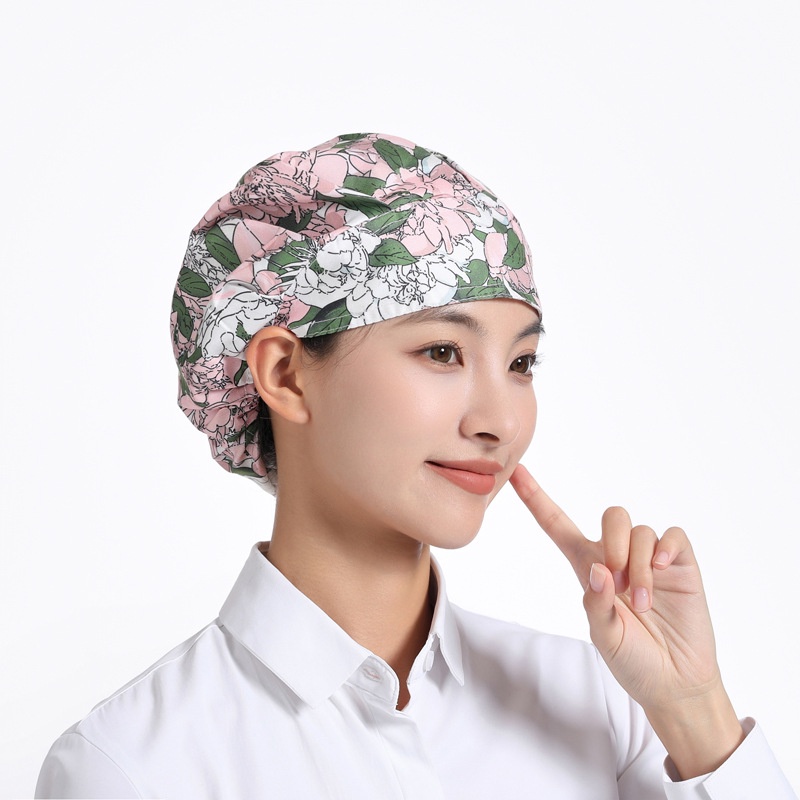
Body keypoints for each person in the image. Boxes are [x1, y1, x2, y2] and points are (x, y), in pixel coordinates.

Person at [35, 133, 796, 799]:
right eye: (442, 351)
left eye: (521, 363)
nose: (501, 422)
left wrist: (695, 710)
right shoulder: (132, 767)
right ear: (285, 374)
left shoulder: (604, 703)